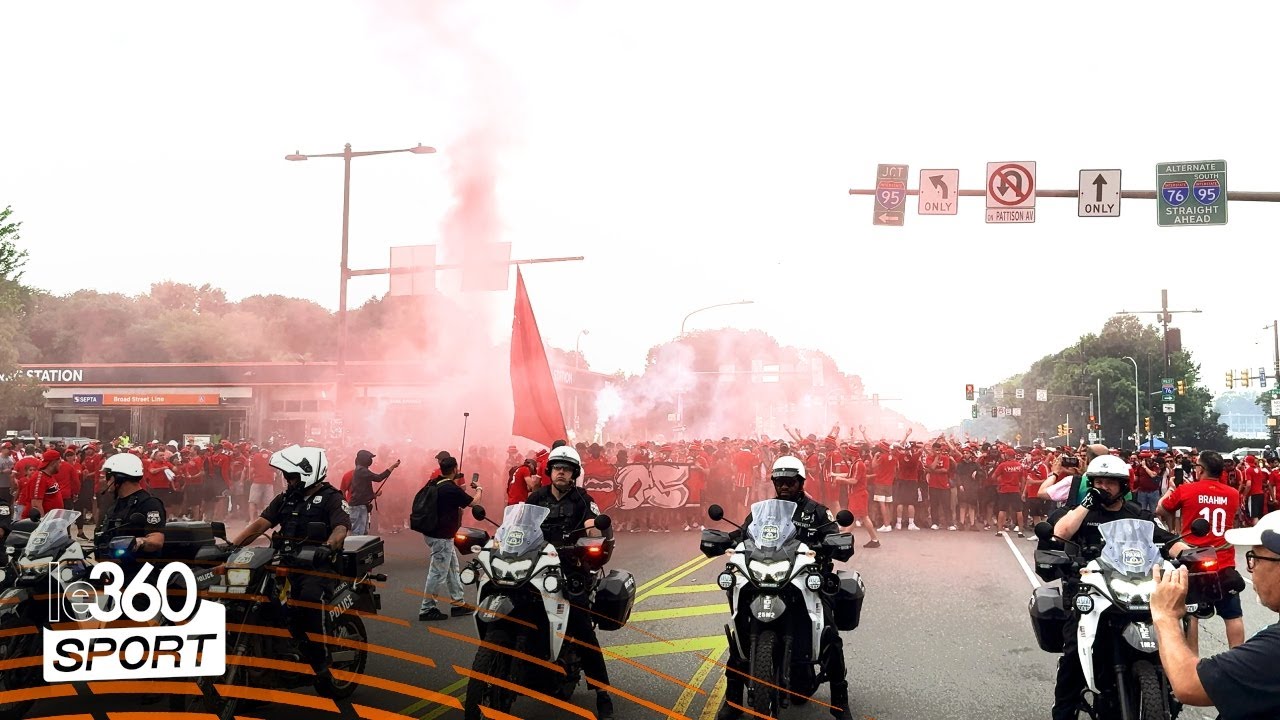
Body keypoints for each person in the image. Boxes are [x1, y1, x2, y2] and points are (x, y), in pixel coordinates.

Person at [1049, 454, 1186, 720]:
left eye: (1110, 482)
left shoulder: (1138, 514)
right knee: (1072, 658)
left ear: (1123, 485)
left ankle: (1169, 691)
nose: (1103, 487)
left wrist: (1189, 553)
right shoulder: (1083, 512)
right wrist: (1086, 504)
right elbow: (1061, 533)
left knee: (1167, 636)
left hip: (1133, 591)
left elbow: (1169, 540)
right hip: (1091, 593)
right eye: (1098, 481)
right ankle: (1063, 713)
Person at [716, 456, 852, 720]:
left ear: (801, 482)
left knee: (830, 636)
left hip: (805, 579)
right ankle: (732, 701)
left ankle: (840, 702)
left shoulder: (817, 511)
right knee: (740, 631)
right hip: (769, 576)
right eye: (780, 481)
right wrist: (724, 540)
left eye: (790, 481)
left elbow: (833, 534)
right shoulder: (763, 511)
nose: (785, 486)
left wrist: (832, 544)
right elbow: (744, 533)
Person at [230, 445, 349, 674]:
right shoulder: (285, 498)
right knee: (252, 595)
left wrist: (327, 546)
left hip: (317, 565)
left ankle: (320, 659)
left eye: (292, 475)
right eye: (286, 475)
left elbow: (341, 528)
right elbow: (260, 524)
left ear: (308, 472)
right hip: (283, 562)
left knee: (309, 599)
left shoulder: (331, 498)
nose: (288, 479)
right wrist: (232, 546)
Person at [1150, 509, 1280, 718]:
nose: (1250, 568)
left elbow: (1188, 684)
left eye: (1255, 558)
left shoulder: (1273, 648)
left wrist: (1165, 615)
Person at [525, 446, 616, 720]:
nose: (561, 471)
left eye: (566, 468)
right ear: (549, 471)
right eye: (556, 467)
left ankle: (602, 693)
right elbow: (519, 526)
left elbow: (592, 525)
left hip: (571, 568)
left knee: (582, 627)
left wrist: (592, 536)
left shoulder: (582, 499)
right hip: (537, 565)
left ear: (574, 473)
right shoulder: (536, 497)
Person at [1155, 450, 1246, 650]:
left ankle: (1192, 664)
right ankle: (1238, 658)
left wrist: (1171, 491)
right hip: (1223, 562)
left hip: (1193, 561)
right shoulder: (1232, 494)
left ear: (1200, 469)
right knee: (1233, 615)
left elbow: (1161, 510)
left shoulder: (1187, 490)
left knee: (1191, 615)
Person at [417, 455, 480, 622]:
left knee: (452, 568)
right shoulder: (451, 488)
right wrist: (480, 489)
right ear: (455, 469)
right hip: (441, 536)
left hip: (434, 533)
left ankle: (458, 603)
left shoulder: (435, 482)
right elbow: (473, 502)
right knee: (438, 573)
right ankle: (427, 608)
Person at [94, 452, 167, 583]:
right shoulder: (116, 504)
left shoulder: (149, 504)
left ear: (120, 478)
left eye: (108, 476)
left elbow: (157, 539)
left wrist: (140, 541)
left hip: (140, 576)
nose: (106, 480)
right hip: (115, 571)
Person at [348, 449, 401, 535]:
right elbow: (378, 478)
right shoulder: (361, 470)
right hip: (358, 506)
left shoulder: (361, 470)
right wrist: (392, 467)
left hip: (361, 505)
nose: (370, 460)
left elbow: (362, 490)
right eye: (369, 458)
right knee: (357, 532)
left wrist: (374, 495)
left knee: (363, 532)